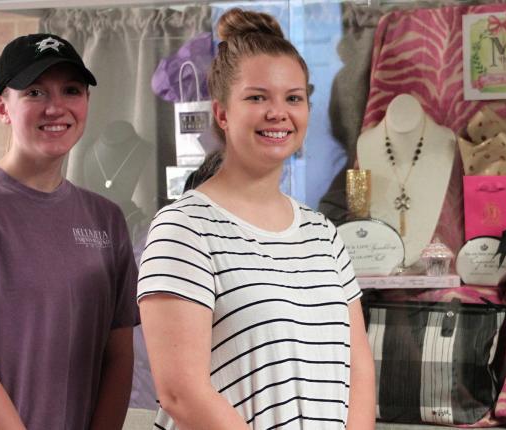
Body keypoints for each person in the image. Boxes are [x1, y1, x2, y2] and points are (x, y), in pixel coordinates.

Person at [137, 8, 375, 429]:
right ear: (222, 114)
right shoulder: (184, 229)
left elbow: (358, 370)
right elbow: (180, 390)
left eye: (293, 98)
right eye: (256, 97)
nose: (278, 112)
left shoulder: (322, 235)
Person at [0, 34, 138, 429]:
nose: (56, 107)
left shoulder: (107, 220)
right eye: (34, 92)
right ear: (1, 107)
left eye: (71, 90)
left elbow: (119, 358)